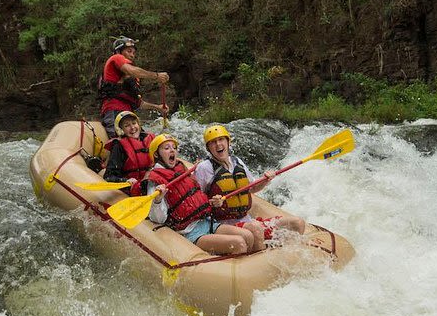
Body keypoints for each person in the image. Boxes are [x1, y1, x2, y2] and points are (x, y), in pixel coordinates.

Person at [133, 134, 255, 255]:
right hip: (189, 231)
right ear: (156, 154)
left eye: (174, 148)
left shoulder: (180, 168)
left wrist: (214, 201)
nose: (172, 150)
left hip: (207, 222)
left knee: (247, 236)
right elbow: (157, 218)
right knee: (239, 243)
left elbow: (197, 195)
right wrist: (158, 200)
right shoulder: (154, 180)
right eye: (166, 148)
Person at [195, 124, 306, 252]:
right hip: (225, 226)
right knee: (256, 228)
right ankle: (263, 264)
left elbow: (252, 188)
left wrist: (266, 180)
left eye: (221, 140)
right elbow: (197, 201)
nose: (218, 144)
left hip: (247, 220)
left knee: (297, 223)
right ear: (208, 148)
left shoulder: (237, 162)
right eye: (213, 142)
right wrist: (212, 202)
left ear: (228, 141)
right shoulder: (204, 168)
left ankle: (290, 257)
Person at [99, 36, 170, 139]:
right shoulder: (116, 58)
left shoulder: (131, 77)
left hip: (128, 115)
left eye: (133, 52)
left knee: (147, 141)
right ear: (119, 51)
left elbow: (138, 102)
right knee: (121, 144)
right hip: (114, 111)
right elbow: (131, 70)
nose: (132, 55)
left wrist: (158, 107)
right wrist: (157, 76)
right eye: (129, 51)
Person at [103, 111, 155, 188]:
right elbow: (109, 176)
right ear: (121, 130)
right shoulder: (119, 146)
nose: (132, 128)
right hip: (132, 186)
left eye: (134, 123)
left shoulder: (151, 139)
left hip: (152, 182)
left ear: (138, 124)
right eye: (127, 126)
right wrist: (125, 181)